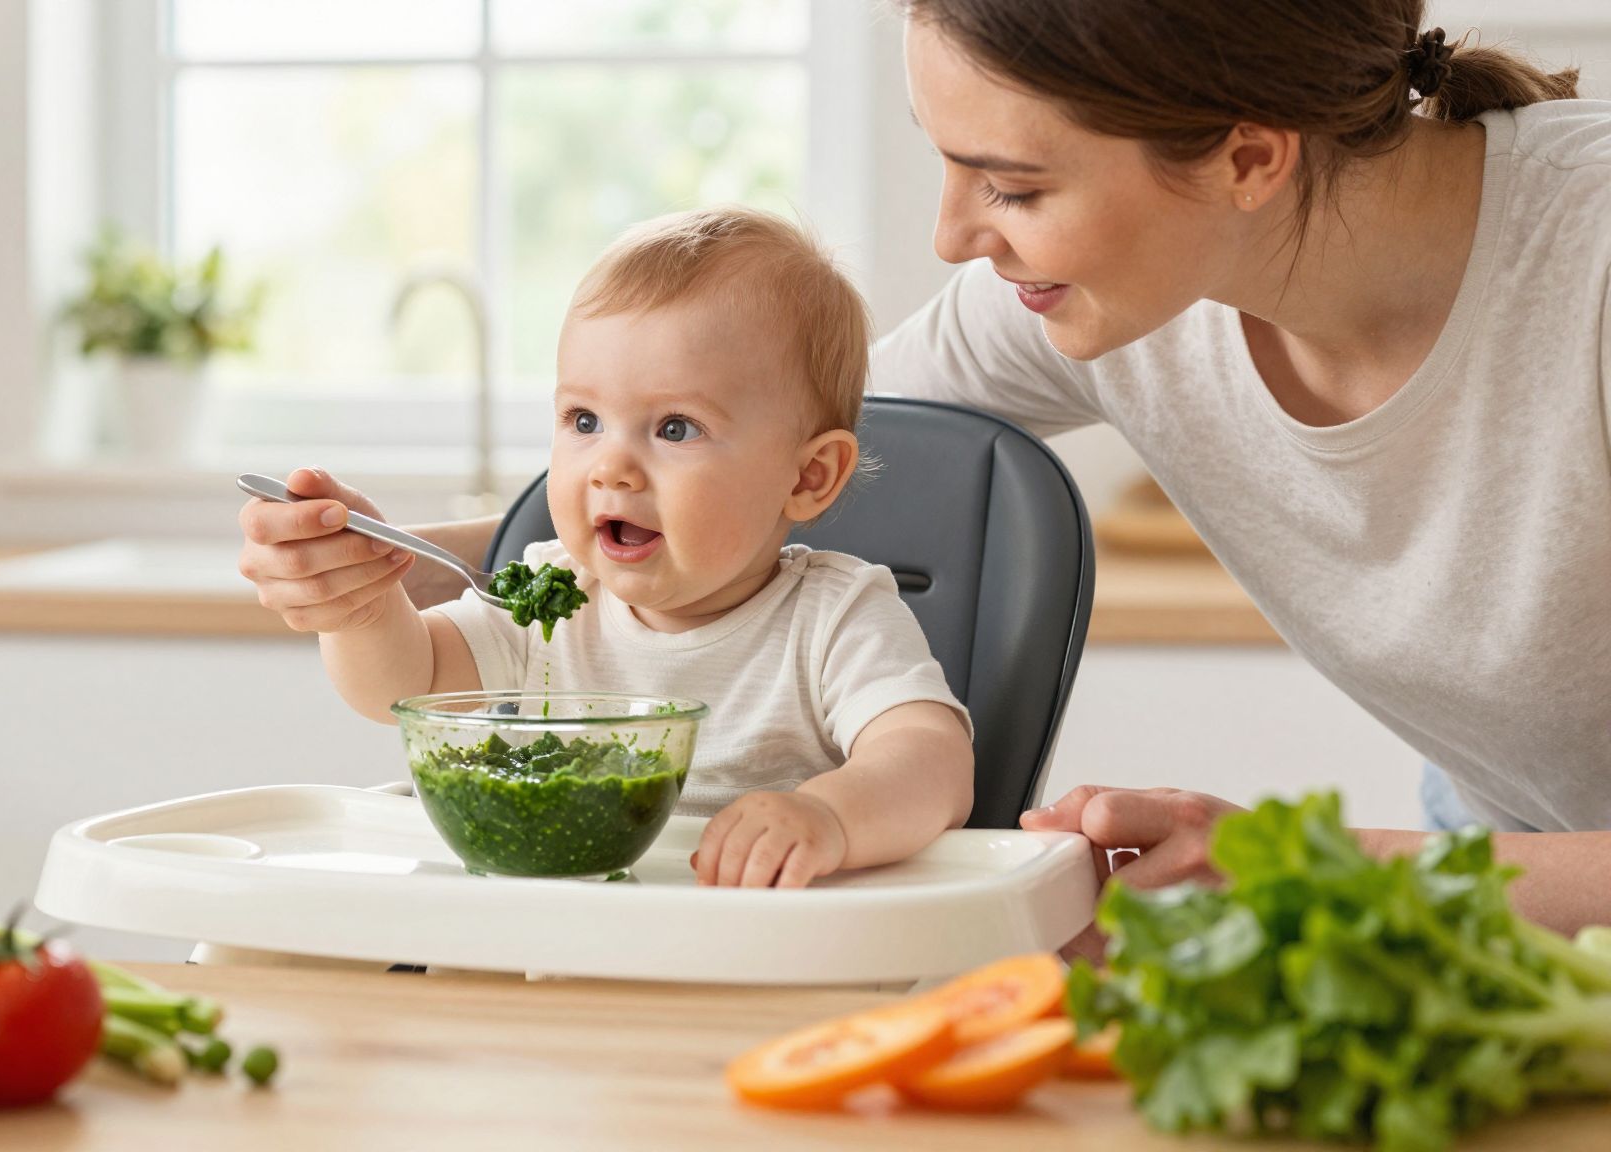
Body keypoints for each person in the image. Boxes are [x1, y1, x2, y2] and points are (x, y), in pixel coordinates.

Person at [241, 2, 1610, 932]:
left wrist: (1312, 870)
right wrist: (388, 553)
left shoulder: (1588, 267)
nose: (957, 235)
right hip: (1500, 887)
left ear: (1249, 155)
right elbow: (737, 468)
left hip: (1477, 884)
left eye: (1012, 186)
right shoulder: (1099, 293)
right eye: (948, 168)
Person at [251, 208, 975, 889]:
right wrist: (363, 607)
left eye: (675, 429)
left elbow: (932, 761)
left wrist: (831, 817)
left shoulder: (836, 619)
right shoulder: (552, 602)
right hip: (554, 939)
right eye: (585, 418)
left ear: (809, 475)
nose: (611, 467)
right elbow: (405, 685)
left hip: (748, 955)